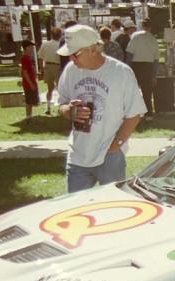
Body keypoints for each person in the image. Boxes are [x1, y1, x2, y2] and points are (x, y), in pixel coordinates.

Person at [57, 25, 147, 193]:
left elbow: (135, 114)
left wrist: (116, 144)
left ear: (92, 49)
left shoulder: (121, 72)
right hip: (78, 155)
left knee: (113, 209)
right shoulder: (70, 71)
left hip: (109, 155)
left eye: (75, 54)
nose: (71, 59)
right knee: (77, 211)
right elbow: (61, 105)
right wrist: (70, 111)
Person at [126, 18, 160, 116]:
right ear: (150, 27)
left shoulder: (135, 36)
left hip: (136, 66)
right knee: (147, 93)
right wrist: (154, 75)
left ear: (142, 26)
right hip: (148, 67)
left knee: (134, 92)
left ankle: (134, 114)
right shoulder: (153, 39)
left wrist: (127, 69)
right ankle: (149, 113)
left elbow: (130, 54)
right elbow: (156, 60)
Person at [37, 27, 61, 115]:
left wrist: (41, 69)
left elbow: (40, 57)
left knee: (49, 89)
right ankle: (59, 108)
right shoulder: (60, 44)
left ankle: (48, 107)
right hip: (57, 67)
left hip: (47, 66)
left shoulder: (45, 44)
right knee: (60, 89)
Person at [20, 40, 39, 120]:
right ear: (26, 48)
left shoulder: (28, 57)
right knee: (29, 101)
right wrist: (31, 84)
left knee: (31, 100)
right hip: (28, 84)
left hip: (31, 81)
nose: (32, 49)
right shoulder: (24, 58)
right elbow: (24, 72)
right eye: (31, 47)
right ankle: (28, 116)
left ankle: (30, 116)